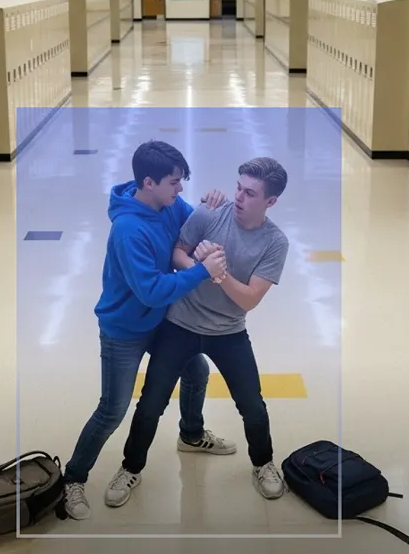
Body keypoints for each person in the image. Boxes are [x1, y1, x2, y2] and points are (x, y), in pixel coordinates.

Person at [61, 140, 237, 520]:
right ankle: (72, 479)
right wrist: (200, 272)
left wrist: (215, 203)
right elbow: (151, 288)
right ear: (148, 182)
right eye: (175, 182)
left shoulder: (170, 205)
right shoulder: (127, 229)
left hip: (160, 320)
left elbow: (198, 223)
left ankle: (191, 434)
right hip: (124, 328)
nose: (180, 189)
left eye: (182, 181)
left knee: (197, 370)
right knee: (112, 409)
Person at [107, 156, 290, 505]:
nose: (239, 197)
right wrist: (198, 266)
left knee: (252, 404)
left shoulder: (275, 243)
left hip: (229, 331)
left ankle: (263, 463)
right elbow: (178, 252)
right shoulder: (208, 213)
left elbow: (249, 299)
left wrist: (217, 273)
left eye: (250, 193)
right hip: (181, 324)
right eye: (238, 187)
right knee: (150, 404)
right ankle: (130, 467)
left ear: (270, 202)